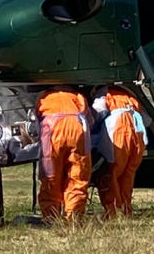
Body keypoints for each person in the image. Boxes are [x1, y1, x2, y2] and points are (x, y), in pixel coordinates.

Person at [36, 86, 92, 222]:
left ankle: (51, 217)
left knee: (51, 175)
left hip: (52, 129)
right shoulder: (78, 96)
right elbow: (91, 120)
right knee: (78, 175)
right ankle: (74, 216)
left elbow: (35, 121)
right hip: (78, 127)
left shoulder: (44, 96)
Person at [91, 85, 148, 218]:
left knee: (112, 172)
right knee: (128, 173)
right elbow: (147, 120)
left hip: (119, 132)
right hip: (137, 133)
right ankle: (126, 209)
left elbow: (98, 112)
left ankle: (113, 211)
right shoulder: (130, 97)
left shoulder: (103, 93)